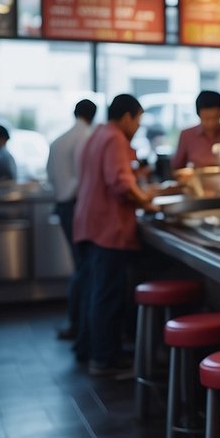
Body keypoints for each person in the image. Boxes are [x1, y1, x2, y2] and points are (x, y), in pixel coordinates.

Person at [73, 94, 156, 377]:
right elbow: (120, 183)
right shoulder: (116, 139)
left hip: (87, 223)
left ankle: (90, 350)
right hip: (107, 227)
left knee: (93, 292)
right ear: (126, 117)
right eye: (138, 120)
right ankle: (104, 358)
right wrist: (146, 201)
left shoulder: (96, 134)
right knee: (107, 295)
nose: (137, 126)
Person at [45, 98, 97, 341]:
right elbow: (89, 176)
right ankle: (79, 325)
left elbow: (50, 175)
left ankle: (76, 323)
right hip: (78, 206)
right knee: (84, 268)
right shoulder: (86, 137)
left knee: (80, 266)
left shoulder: (59, 139)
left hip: (63, 205)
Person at [171, 90, 220, 171]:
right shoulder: (187, 136)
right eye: (206, 118)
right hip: (196, 181)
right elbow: (177, 168)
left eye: (215, 118)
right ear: (198, 115)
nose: (211, 123)